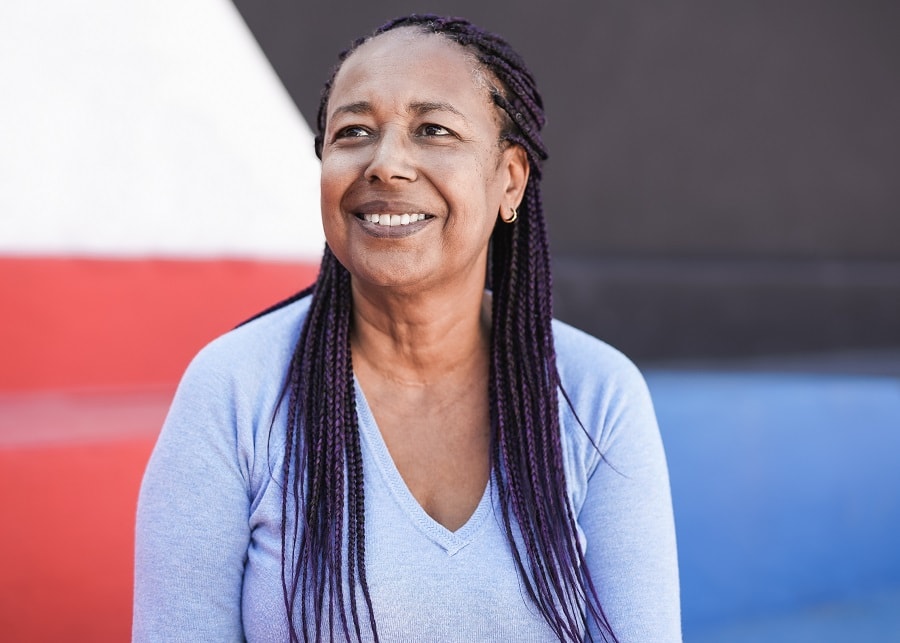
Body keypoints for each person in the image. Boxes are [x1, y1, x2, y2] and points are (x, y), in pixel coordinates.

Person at [133, 14, 680, 643]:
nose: (386, 163)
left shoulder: (595, 397)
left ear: (510, 179)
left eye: (434, 130)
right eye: (354, 132)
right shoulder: (234, 391)